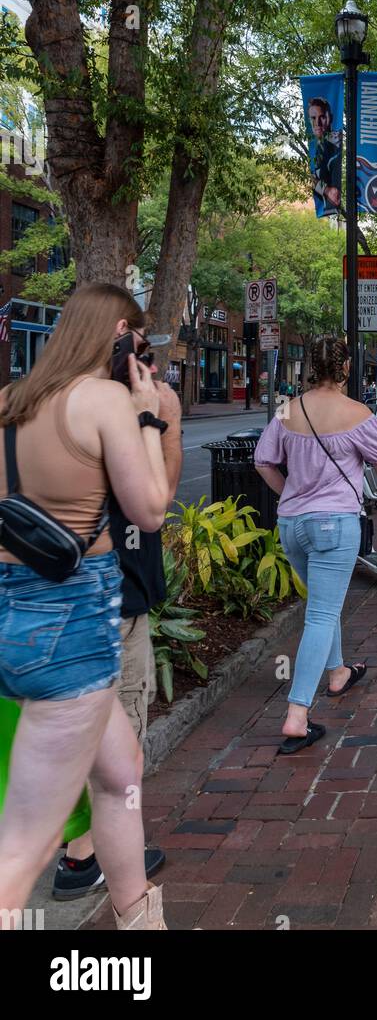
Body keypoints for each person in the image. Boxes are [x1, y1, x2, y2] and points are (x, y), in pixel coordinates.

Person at [0, 283, 172, 931]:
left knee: (119, 771)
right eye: (137, 337)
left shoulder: (7, 404)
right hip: (72, 628)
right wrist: (148, 415)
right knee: (21, 852)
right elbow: (150, 508)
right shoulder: (102, 400)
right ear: (118, 333)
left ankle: (141, 926)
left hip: (15, 617)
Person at [54, 354, 182, 901]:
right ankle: (88, 859)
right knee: (120, 745)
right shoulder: (127, 432)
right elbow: (160, 499)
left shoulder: (65, 427)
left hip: (72, 605)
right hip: (119, 606)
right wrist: (159, 421)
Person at [254, 336, 377, 755]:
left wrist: (289, 491)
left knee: (323, 605)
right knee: (322, 614)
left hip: (292, 524)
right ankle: (297, 713)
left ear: (310, 365)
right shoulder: (357, 413)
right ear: (345, 369)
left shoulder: (289, 409)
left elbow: (262, 460)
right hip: (334, 525)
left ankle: (339, 671)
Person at [308, 97, 342, 214]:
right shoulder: (318, 148)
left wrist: (326, 190)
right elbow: (313, 180)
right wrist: (326, 190)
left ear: (330, 118)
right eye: (313, 118)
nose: (317, 123)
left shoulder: (336, 146)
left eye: (322, 117)